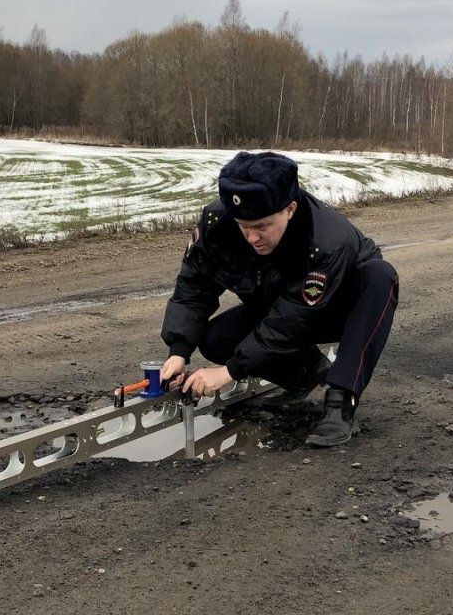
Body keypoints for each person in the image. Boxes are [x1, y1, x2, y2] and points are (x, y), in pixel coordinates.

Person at [160, 151, 399, 447]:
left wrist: (228, 372)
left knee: (381, 276)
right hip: (278, 303)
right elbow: (194, 285)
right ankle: (306, 374)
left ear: (290, 209)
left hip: (338, 308)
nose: (251, 238)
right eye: (243, 227)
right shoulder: (217, 224)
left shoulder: (326, 240)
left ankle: (340, 400)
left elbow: (291, 321)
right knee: (216, 339)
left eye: (261, 227)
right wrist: (179, 350)